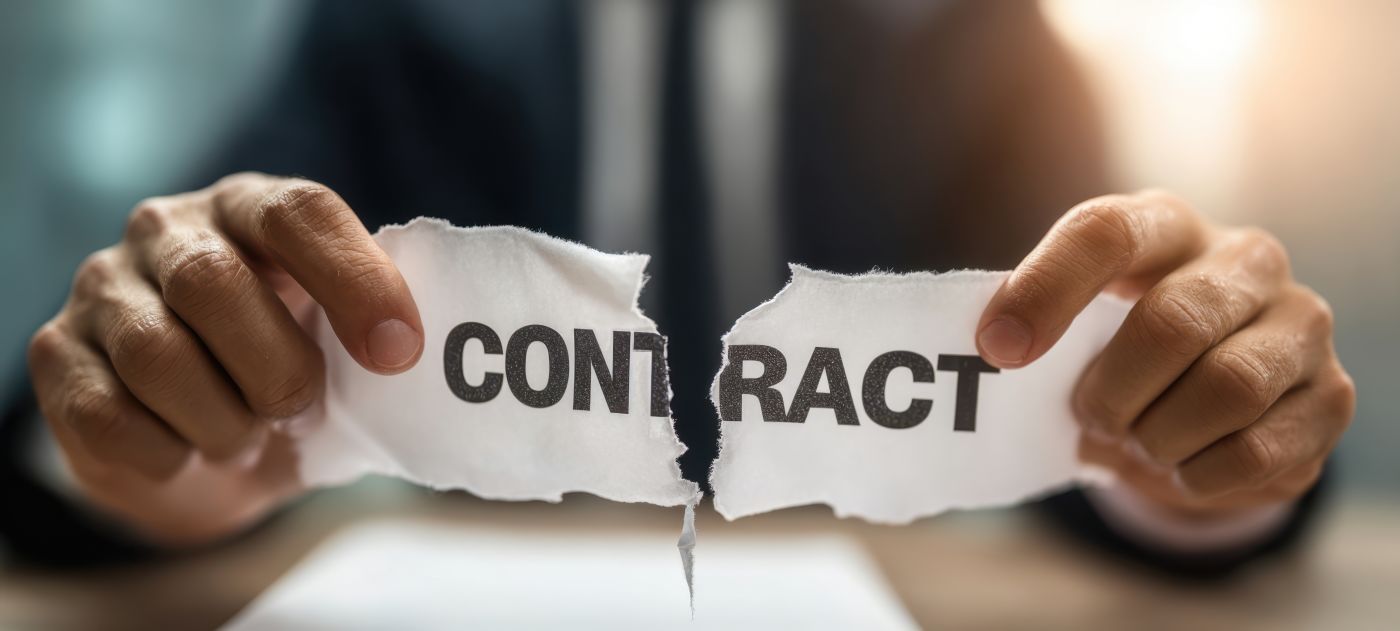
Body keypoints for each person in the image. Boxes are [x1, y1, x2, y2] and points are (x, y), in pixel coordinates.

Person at [2, 0, 1352, 576]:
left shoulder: (975, 36)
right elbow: (180, 332)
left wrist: (1197, 444)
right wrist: (151, 444)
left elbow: (1117, 385)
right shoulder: (397, 26)